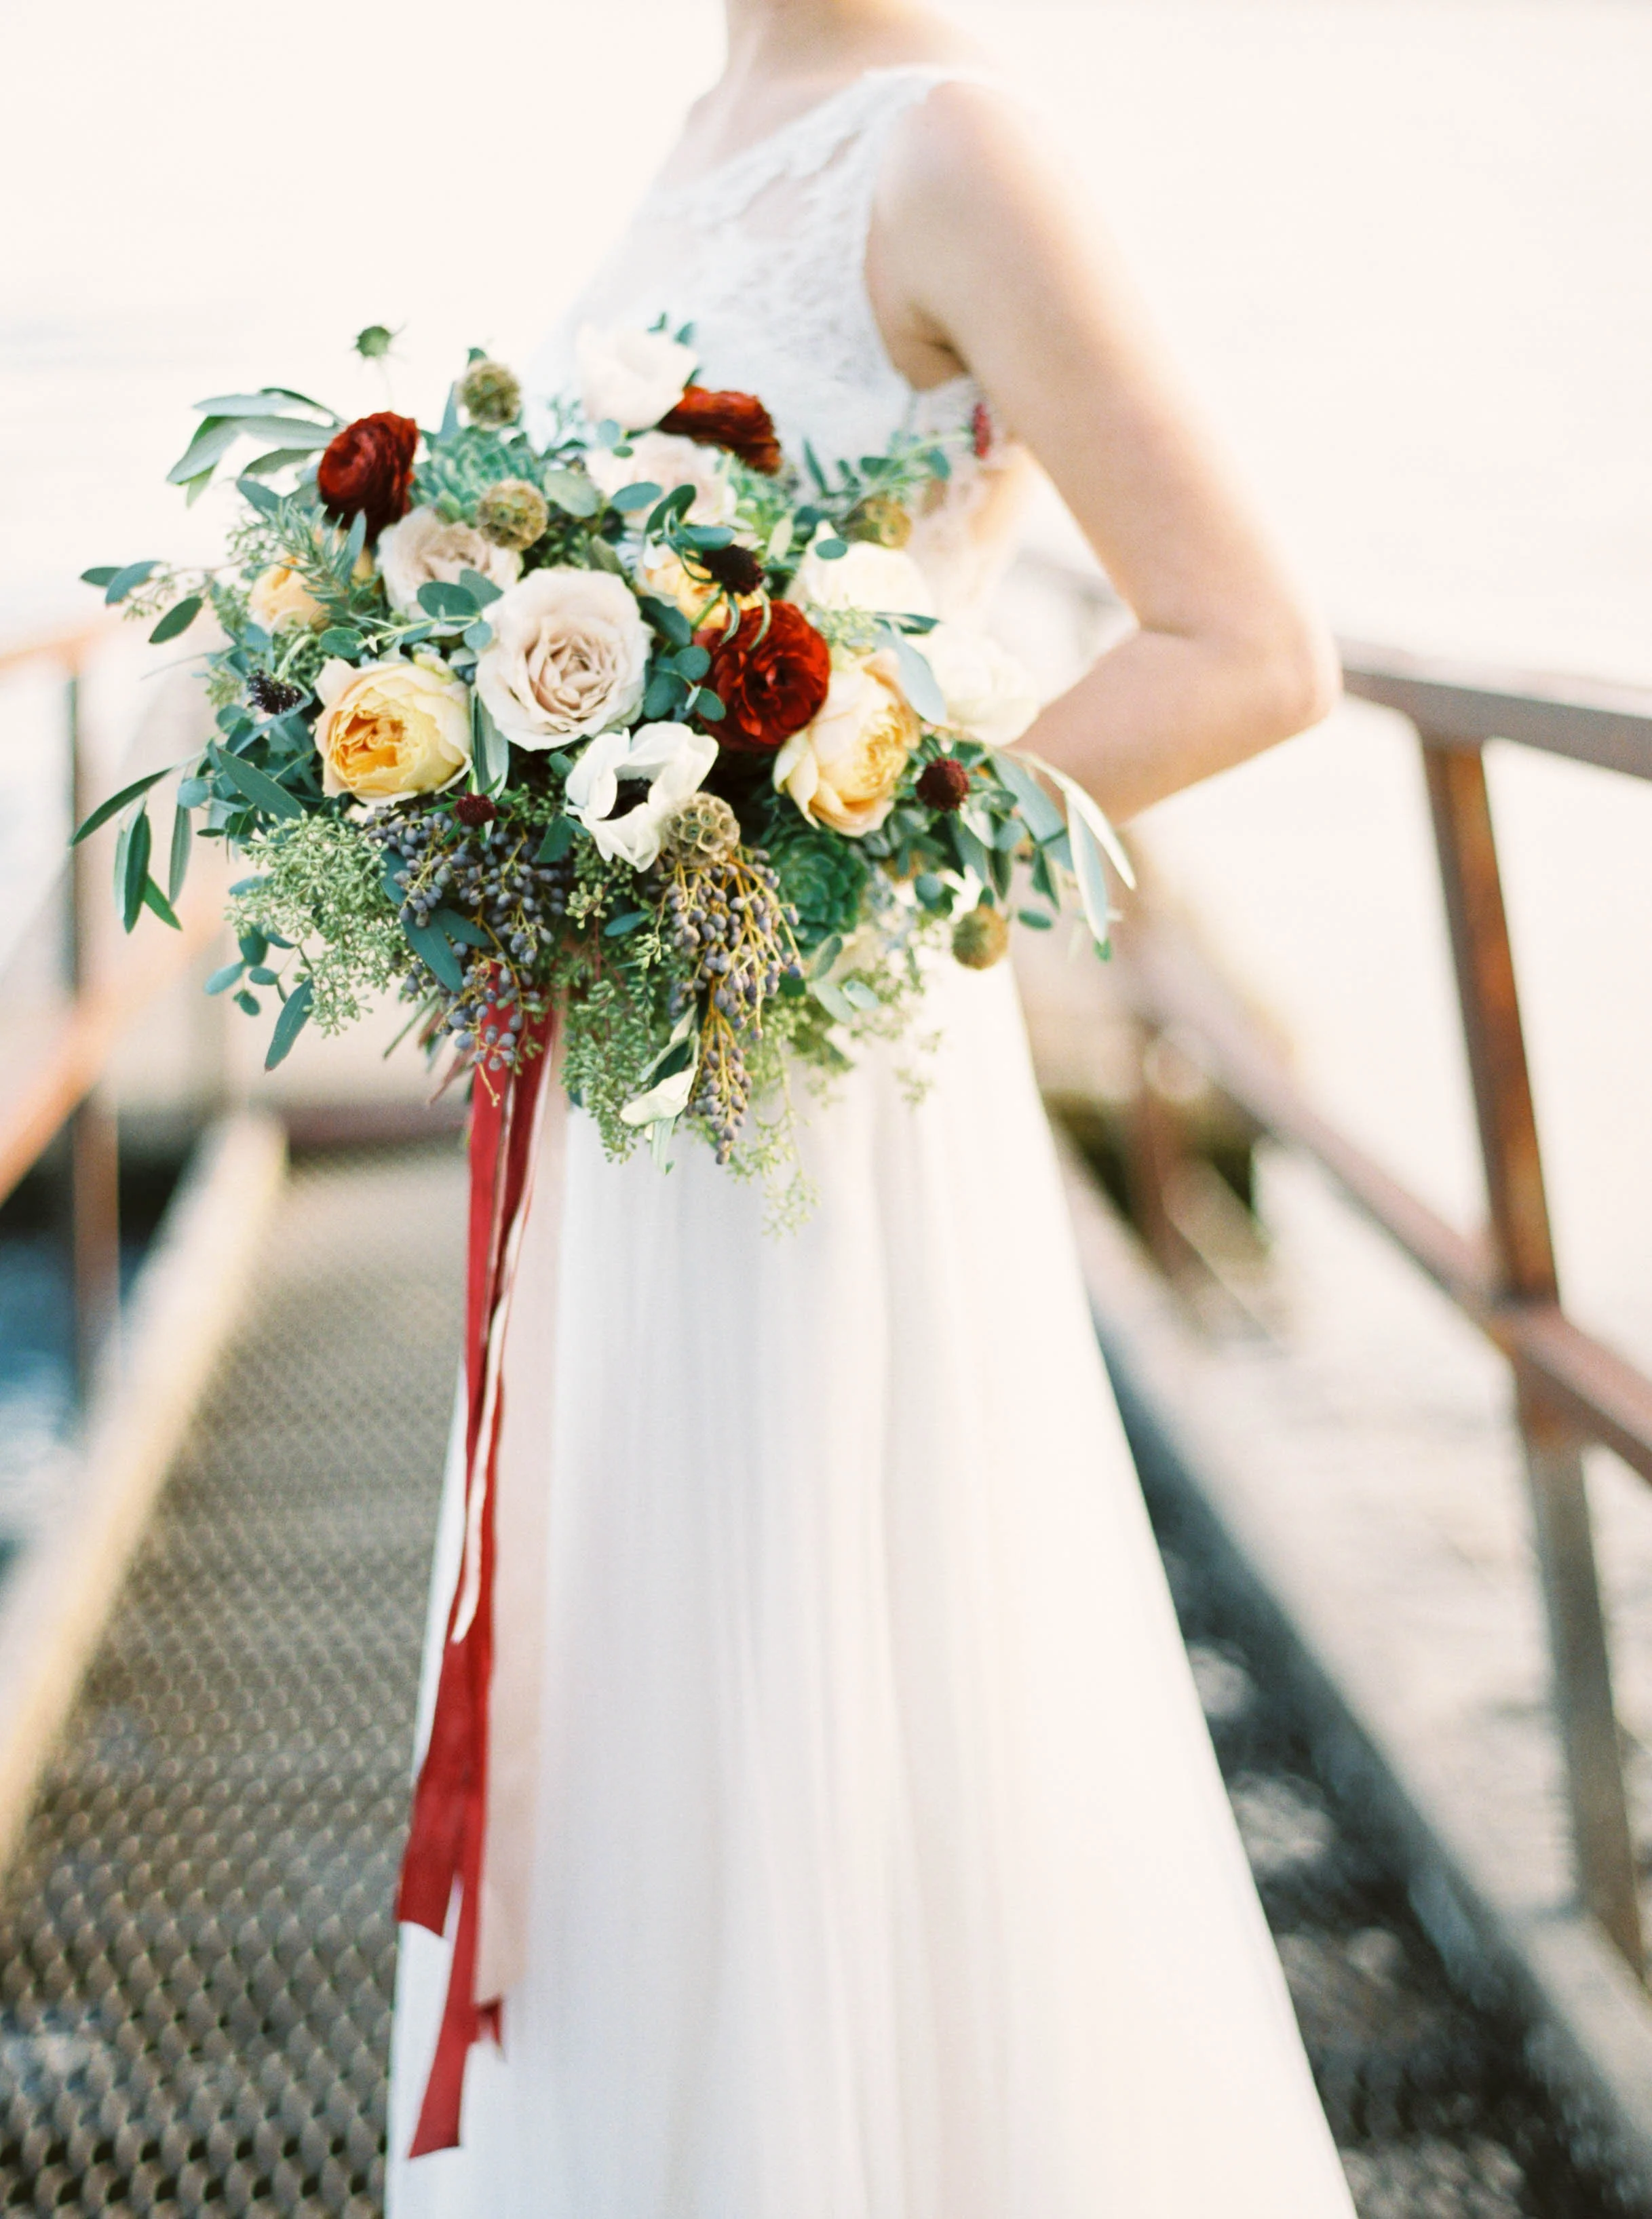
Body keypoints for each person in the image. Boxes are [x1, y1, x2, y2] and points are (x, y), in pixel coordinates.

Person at [389, 1, 1352, 2212]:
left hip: (810, 1095)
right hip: (630, 1116)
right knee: (644, 1754)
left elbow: (1252, 641)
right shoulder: (711, 118)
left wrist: (815, 844)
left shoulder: (950, 147)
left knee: (826, 1718)